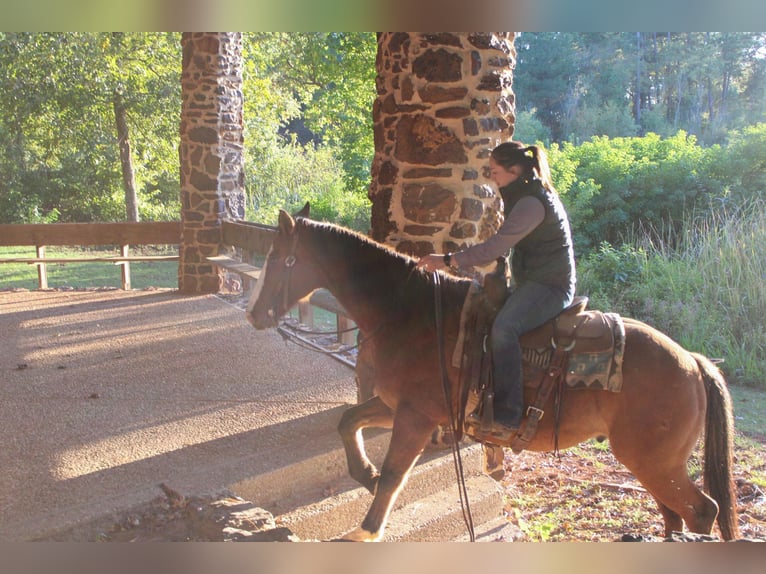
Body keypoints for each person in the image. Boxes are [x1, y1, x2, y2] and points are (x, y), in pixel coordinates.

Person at [417, 141, 576, 440]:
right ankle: (483, 398)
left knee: (504, 329)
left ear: (514, 171)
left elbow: (496, 247)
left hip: (550, 286)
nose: (492, 177)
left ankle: (509, 414)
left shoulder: (531, 202)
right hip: (534, 281)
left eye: (495, 171)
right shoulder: (524, 195)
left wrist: (448, 261)